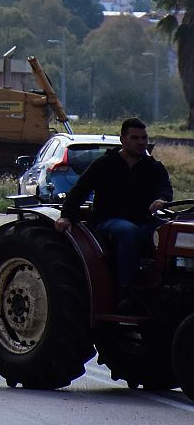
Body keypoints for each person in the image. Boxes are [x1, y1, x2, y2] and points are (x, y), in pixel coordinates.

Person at [56, 117, 173, 309]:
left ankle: (161, 288)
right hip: (109, 220)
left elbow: (165, 189)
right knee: (128, 232)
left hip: (143, 219)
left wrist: (161, 199)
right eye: (135, 138)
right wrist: (66, 215)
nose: (141, 142)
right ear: (123, 140)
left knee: (169, 232)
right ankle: (126, 293)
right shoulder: (104, 165)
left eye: (144, 137)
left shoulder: (154, 167)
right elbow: (80, 190)